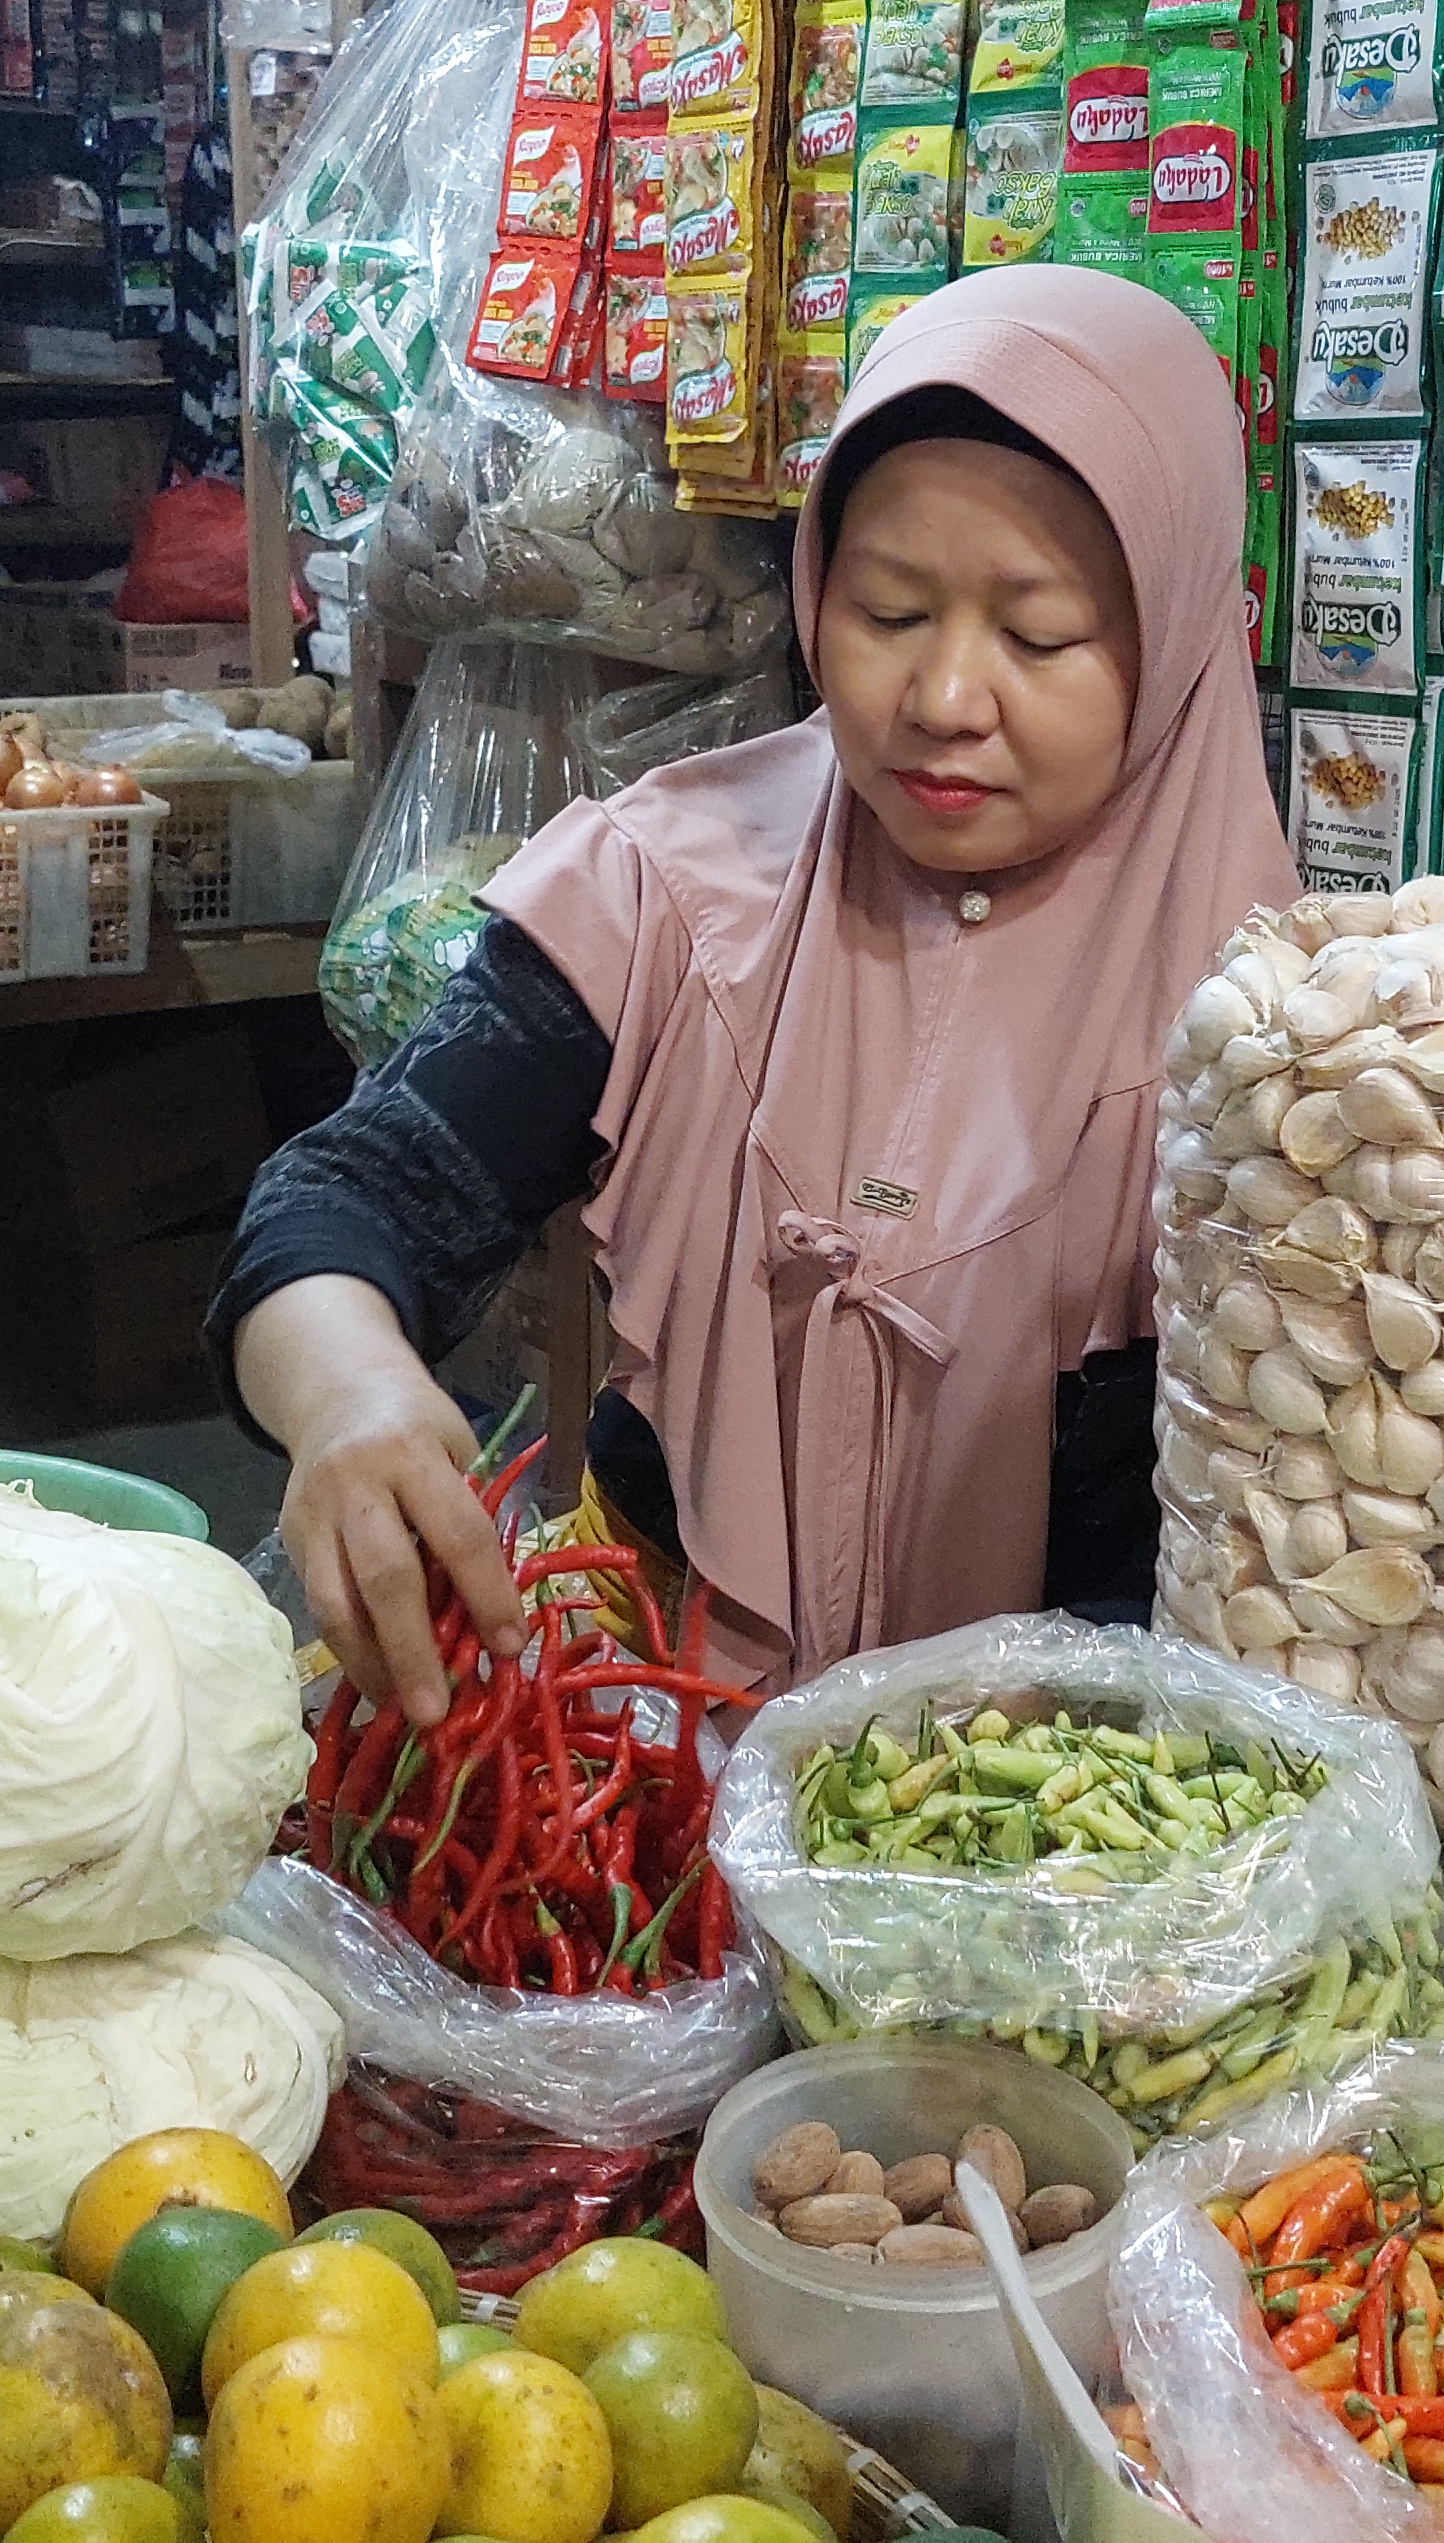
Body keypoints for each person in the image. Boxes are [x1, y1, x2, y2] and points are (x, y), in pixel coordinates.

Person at [211, 266, 1302, 1716]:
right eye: (888, 610)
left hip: (1043, 1864)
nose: (943, 700)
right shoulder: (673, 883)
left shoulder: (1293, 1049)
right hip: (635, 1786)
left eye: (1036, 637)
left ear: (1171, 639)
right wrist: (349, 1390)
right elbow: (343, 1201)